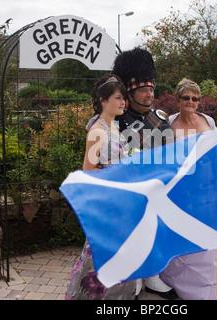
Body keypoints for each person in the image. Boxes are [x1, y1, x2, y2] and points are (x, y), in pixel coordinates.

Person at [159, 78, 217, 300]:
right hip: (181, 190)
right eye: (186, 97)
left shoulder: (209, 121)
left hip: (208, 188)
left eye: (195, 98)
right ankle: (185, 285)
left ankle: (216, 287)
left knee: (212, 238)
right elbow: (163, 158)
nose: (191, 101)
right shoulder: (169, 123)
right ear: (177, 99)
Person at [111, 48, 177, 300]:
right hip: (127, 188)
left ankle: (152, 276)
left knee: (157, 231)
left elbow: (170, 153)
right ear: (130, 92)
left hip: (156, 186)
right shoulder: (117, 119)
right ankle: (134, 278)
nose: (150, 94)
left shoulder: (160, 119)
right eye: (144, 90)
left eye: (152, 89)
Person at [65, 74, 137, 300]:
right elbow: (88, 170)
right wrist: (119, 173)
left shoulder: (114, 127)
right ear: (103, 100)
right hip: (106, 202)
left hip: (119, 200)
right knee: (98, 255)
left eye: (124, 98)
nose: (123, 102)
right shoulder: (97, 131)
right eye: (118, 98)